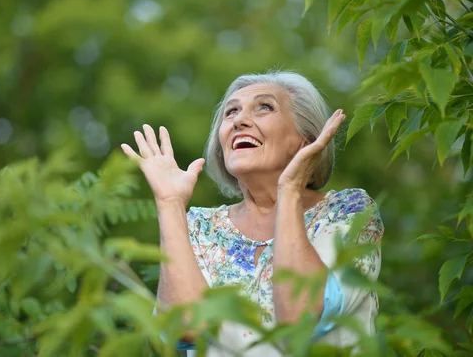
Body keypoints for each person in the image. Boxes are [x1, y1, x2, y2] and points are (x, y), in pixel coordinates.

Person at [120, 70, 384, 356]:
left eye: (265, 107)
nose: (239, 120)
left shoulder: (349, 212)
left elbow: (299, 316)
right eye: (231, 112)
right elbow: (186, 328)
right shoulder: (200, 226)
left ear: (305, 141)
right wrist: (170, 202)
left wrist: (290, 190)